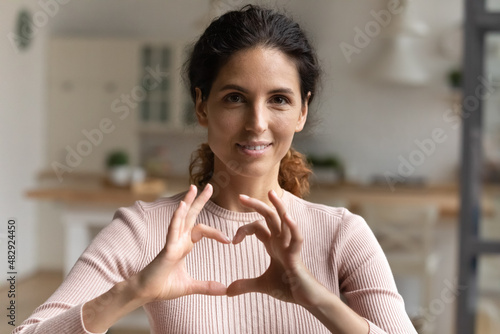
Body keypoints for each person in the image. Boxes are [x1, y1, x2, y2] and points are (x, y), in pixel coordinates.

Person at [13, 5, 417, 334]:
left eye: (278, 99)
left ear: (302, 111)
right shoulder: (145, 231)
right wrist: (132, 292)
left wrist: (319, 300)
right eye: (235, 98)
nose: (257, 122)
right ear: (202, 105)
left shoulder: (343, 236)